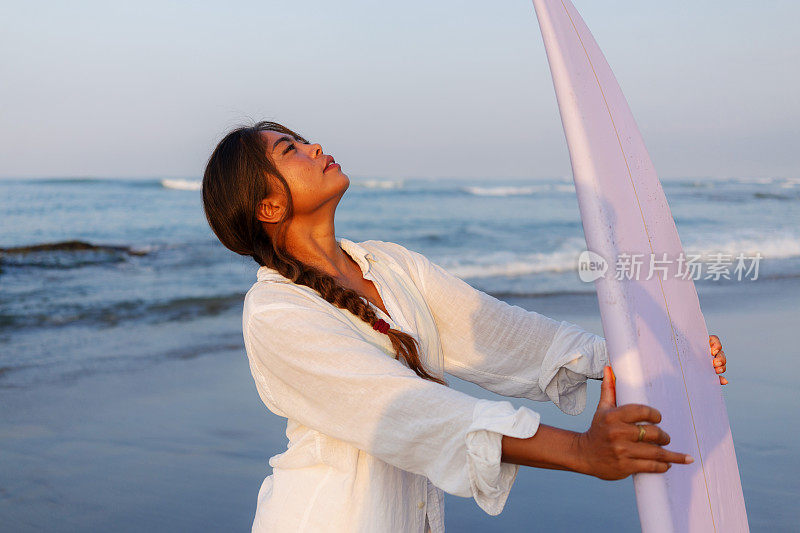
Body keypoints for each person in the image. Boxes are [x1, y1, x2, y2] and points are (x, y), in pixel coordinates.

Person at [201, 121, 729, 532]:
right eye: (289, 150)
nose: (314, 147)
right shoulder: (276, 315)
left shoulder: (389, 265)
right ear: (267, 205)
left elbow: (503, 334)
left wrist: (650, 359)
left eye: (303, 139)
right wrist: (580, 453)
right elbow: (404, 409)